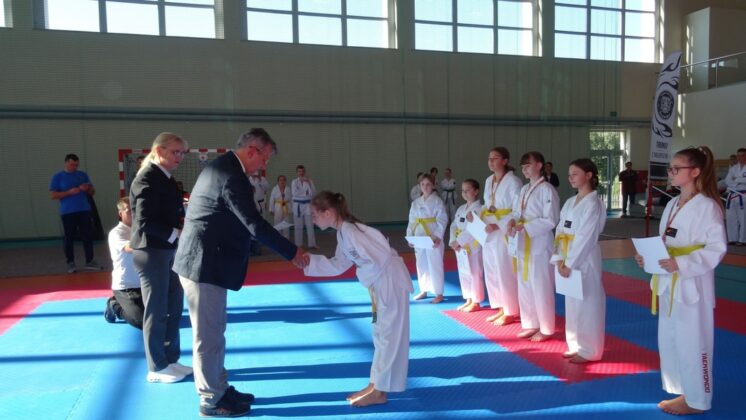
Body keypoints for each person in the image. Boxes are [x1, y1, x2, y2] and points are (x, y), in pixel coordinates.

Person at [173, 129, 306, 418]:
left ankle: (220, 387)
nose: (264, 165)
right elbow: (254, 223)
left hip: (208, 262)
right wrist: (293, 252)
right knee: (208, 336)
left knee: (215, 331)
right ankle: (211, 399)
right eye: (265, 158)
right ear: (252, 150)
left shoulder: (225, 168)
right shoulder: (231, 175)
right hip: (202, 264)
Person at [634, 146, 726, 415]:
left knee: (693, 342)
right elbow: (667, 243)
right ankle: (683, 389)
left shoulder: (707, 206)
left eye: (676, 168)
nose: (670, 172)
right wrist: (649, 258)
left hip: (691, 284)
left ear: (695, 172)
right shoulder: (673, 203)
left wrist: (681, 263)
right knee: (671, 339)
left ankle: (698, 399)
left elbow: (716, 248)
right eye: (670, 168)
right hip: (668, 281)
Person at [302, 191, 412, 407]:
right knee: (380, 334)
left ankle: (380, 392)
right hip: (379, 283)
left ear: (328, 212)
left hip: (389, 281)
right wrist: (309, 262)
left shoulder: (351, 231)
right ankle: (375, 384)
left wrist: (365, 276)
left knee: (388, 335)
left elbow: (381, 256)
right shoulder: (343, 233)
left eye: (315, 214)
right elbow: (338, 264)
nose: (313, 219)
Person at [129, 132, 192, 384]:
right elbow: (144, 221)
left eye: (182, 153)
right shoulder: (146, 177)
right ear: (159, 151)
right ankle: (156, 366)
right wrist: (176, 232)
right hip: (151, 251)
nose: (179, 157)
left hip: (166, 249)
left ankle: (170, 359)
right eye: (175, 152)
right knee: (156, 309)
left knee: (174, 305)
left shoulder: (165, 177)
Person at [551, 159, 606, 364]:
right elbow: (559, 230)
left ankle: (590, 350)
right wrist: (559, 257)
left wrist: (570, 263)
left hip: (585, 257)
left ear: (589, 175)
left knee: (588, 303)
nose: (570, 178)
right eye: (569, 174)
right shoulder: (570, 202)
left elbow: (585, 236)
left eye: (575, 174)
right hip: (567, 255)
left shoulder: (593, 203)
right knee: (572, 303)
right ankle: (575, 345)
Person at [507, 151, 560, 342]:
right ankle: (531, 323)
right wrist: (512, 221)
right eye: (522, 167)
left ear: (539, 165)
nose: (524, 169)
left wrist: (527, 226)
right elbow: (516, 212)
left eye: (528, 165)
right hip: (522, 241)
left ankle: (546, 328)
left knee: (541, 285)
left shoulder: (547, 190)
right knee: (525, 283)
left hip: (539, 243)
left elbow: (551, 219)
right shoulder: (524, 189)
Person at [472, 147, 522, 326]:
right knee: (491, 269)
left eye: (495, 158)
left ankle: (511, 310)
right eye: (489, 158)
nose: (491, 161)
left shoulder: (514, 182)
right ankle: (500, 306)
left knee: (504, 269)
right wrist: (476, 214)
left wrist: (498, 224)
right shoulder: (488, 180)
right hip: (488, 229)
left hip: (502, 230)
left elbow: (517, 210)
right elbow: (487, 205)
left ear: (505, 161)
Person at [49, 153, 100, 273]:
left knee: (87, 236)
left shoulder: (82, 175)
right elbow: (53, 195)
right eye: (72, 165)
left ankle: (90, 261)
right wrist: (69, 192)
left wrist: (87, 189)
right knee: (69, 238)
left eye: (76, 165)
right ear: (66, 163)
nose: (74, 167)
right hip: (68, 212)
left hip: (84, 210)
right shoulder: (58, 177)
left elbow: (92, 192)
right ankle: (70, 262)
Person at [104, 197, 144, 329]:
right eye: (129, 211)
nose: (133, 213)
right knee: (141, 322)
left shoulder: (142, 228)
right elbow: (130, 248)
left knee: (161, 316)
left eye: (135, 209)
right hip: (126, 286)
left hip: (144, 284)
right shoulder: (116, 233)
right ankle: (115, 306)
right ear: (120, 213)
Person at [407, 174, 447, 304]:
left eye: (428, 184)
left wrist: (437, 236)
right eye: (422, 184)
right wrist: (410, 236)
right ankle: (423, 290)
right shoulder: (415, 203)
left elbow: (442, 220)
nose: (425, 187)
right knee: (421, 263)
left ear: (433, 185)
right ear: (419, 186)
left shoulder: (437, 201)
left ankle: (439, 293)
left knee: (435, 263)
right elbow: (411, 221)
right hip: (419, 235)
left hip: (432, 236)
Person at [449, 179, 484, 312]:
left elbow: (472, 229)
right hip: (460, 247)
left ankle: (476, 301)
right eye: (463, 190)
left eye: (468, 190)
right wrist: (453, 240)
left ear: (476, 191)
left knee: (474, 272)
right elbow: (453, 225)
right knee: (464, 272)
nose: (464, 193)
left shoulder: (479, 209)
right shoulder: (461, 209)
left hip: (473, 245)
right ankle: (468, 299)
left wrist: (459, 241)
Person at [292, 165, 317, 248]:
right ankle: (298, 244)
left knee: (310, 225)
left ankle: (312, 244)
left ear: (304, 172)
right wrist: (306, 193)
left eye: (302, 171)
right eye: (299, 171)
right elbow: (294, 193)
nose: (301, 173)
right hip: (298, 205)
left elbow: (313, 193)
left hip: (307, 205)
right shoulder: (294, 182)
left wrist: (309, 183)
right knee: (298, 226)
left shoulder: (309, 181)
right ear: (297, 172)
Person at [725, 148, 746, 245]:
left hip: (743, 195)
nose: (740, 158)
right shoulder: (734, 168)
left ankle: (743, 239)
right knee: (731, 217)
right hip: (732, 194)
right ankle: (732, 238)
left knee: (743, 218)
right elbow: (727, 181)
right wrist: (739, 181)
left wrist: (736, 179)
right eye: (738, 156)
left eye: (742, 155)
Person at [248, 171, 270, 255]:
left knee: (262, 223)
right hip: (251, 203)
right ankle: (253, 245)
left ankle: (261, 242)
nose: (254, 174)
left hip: (261, 203)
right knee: (252, 225)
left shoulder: (262, 179)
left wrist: (260, 179)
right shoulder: (248, 180)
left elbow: (266, 188)